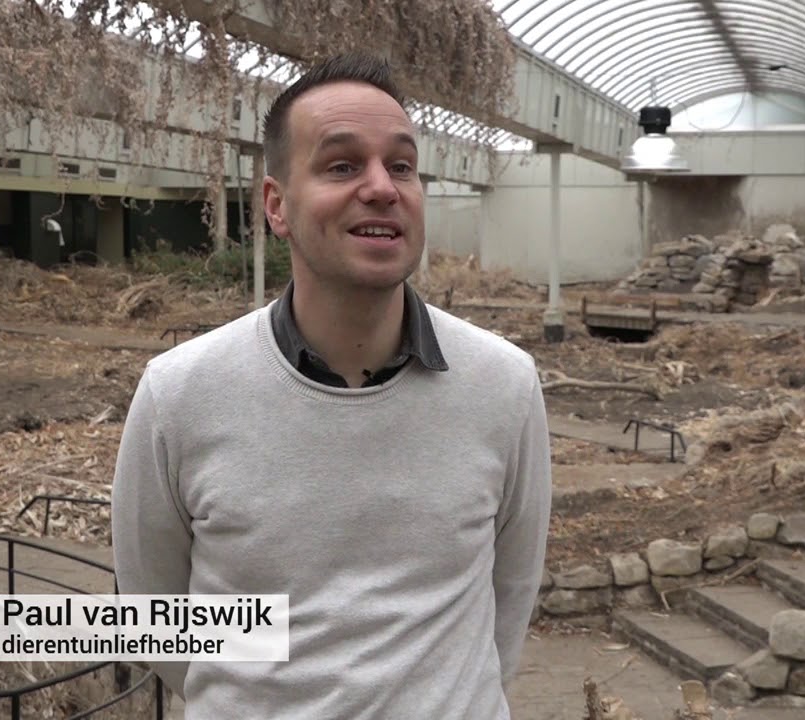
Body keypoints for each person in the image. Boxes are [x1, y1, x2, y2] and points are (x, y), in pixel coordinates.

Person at [111, 51, 552, 719]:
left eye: (401, 165)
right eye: (343, 165)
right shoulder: (181, 394)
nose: (382, 187)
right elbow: (154, 609)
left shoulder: (503, 384)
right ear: (277, 206)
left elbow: (511, 593)